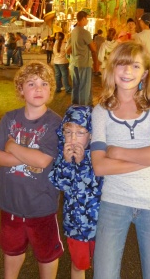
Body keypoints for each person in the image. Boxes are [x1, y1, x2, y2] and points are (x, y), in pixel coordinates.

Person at [91, 41, 150, 279]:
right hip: (114, 201)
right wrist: (149, 155)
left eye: (135, 66)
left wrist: (116, 151)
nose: (128, 72)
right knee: (103, 275)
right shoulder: (101, 111)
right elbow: (99, 166)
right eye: (122, 64)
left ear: (145, 73)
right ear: (111, 68)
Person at [0, 62, 63, 279]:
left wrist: (12, 147)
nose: (38, 89)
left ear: (50, 89)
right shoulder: (9, 119)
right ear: (21, 89)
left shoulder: (55, 123)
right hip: (10, 203)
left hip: (42, 205)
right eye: (31, 84)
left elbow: (41, 161)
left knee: (47, 254)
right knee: (12, 251)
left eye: (44, 84)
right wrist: (25, 157)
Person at [49, 105, 103, 279]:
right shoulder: (61, 154)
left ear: (91, 135)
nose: (73, 138)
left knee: (103, 265)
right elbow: (59, 183)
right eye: (68, 132)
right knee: (78, 265)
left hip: (101, 226)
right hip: (75, 226)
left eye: (80, 132)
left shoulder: (98, 156)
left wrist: (81, 163)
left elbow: (98, 185)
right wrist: (66, 162)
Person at [67, 11, 100, 106]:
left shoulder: (74, 31)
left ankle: (75, 106)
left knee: (76, 86)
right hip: (84, 63)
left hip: (75, 63)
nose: (87, 21)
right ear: (83, 18)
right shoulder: (85, 32)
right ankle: (83, 108)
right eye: (87, 19)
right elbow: (93, 48)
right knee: (84, 88)